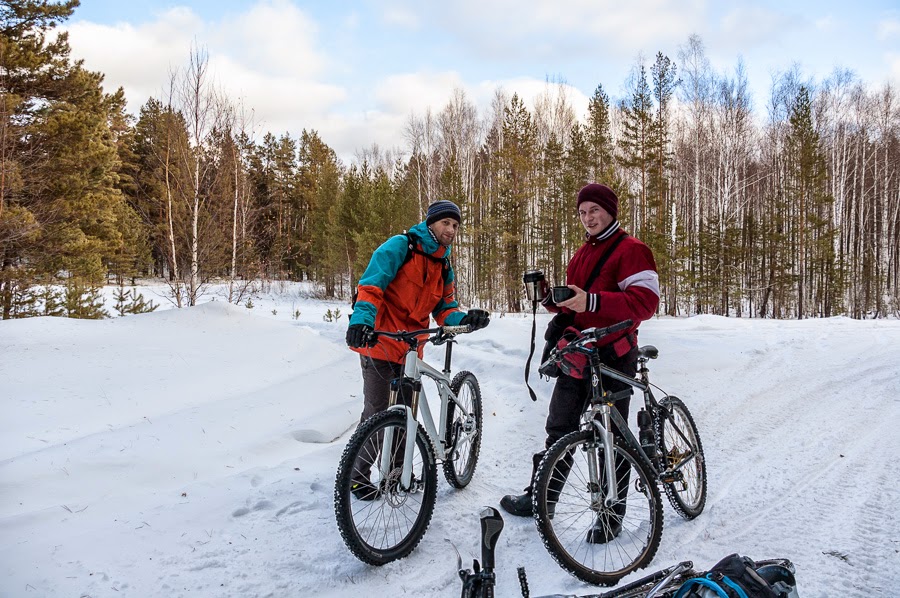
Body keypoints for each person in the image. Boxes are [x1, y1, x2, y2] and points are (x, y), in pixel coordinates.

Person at [499, 183, 659, 542]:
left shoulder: (633, 250)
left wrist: (592, 303)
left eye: (594, 211)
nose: (588, 218)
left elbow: (646, 303)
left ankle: (611, 512)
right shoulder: (582, 253)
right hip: (578, 352)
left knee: (611, 434)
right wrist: (551, 298)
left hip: (615, 353)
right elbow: (579, 300)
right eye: (583, 212)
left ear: (610, 211)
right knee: (561, 426)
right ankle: (544, 496)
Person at [345, 199, 490, 498]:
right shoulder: (401, 246)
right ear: (431, 223)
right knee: (376, 411)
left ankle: (399, 476)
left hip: (412, 350)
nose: (451, 229)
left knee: (407, 415)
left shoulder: (443, 265)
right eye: (446, 223)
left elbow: (445, 309)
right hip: (381, 344)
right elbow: (371, 285)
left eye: (455, 225)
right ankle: (357, 478)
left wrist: (466, 320)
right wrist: (361, 322)